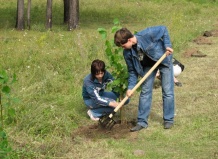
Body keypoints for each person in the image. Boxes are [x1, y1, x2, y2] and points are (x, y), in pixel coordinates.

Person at [114, 26, 175, 131]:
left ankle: (168, 120)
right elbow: (132, 71)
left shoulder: (147, 34)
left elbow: (164, 29)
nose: (123, 48)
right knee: (145, 91)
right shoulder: (127, 53)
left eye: (123, 45)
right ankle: (142, 122)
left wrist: (167, 45)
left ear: (129, 40)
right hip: (148, 65)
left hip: (163, 59)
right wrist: (130, 87)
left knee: (167, 91)